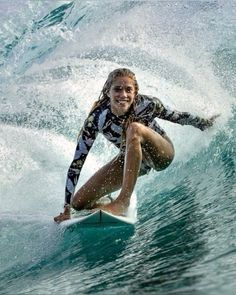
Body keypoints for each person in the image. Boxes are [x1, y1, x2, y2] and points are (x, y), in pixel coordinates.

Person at [54, 68, 218, 223]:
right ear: (108, 92)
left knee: (134, 129)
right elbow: (76, 164)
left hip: (161, 153)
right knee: (79, 203)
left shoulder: (147, 104)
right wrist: (67, 208)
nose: (123, 94)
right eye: (117, 89)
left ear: (135, 92)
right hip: (134, 161)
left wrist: (204, 123)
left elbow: (178, 116)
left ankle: (122, 201)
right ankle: (104, 204)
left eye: (128, 90)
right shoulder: (97, 119)